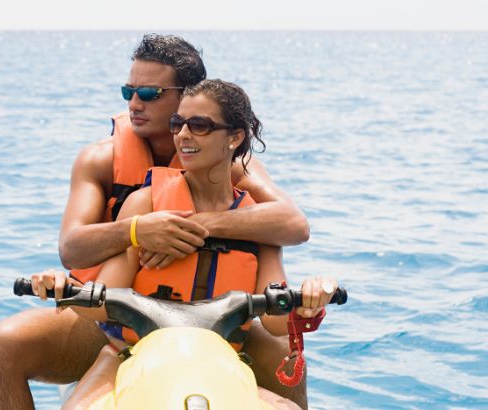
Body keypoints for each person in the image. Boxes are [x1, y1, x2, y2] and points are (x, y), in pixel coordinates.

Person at [0, 34, 311, 409]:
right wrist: (139, 229)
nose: (134, 103)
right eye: (128, 91)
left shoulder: (235, 167)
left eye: (149, 93)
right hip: (113, 317)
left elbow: (292, 223)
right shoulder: (101, 161)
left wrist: (191, 226)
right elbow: (71, 247)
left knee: (289, 353)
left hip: (216, 321)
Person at [33, 78, 337, 410]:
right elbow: (104, 300)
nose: (183, 135)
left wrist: (311, 301)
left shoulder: (258, 224)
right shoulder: (144, 203)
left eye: (200, 125)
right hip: (131, 356)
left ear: (235, 137)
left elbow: (277, 322)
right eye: (178, 123)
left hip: (221, 362)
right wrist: (62, 287)